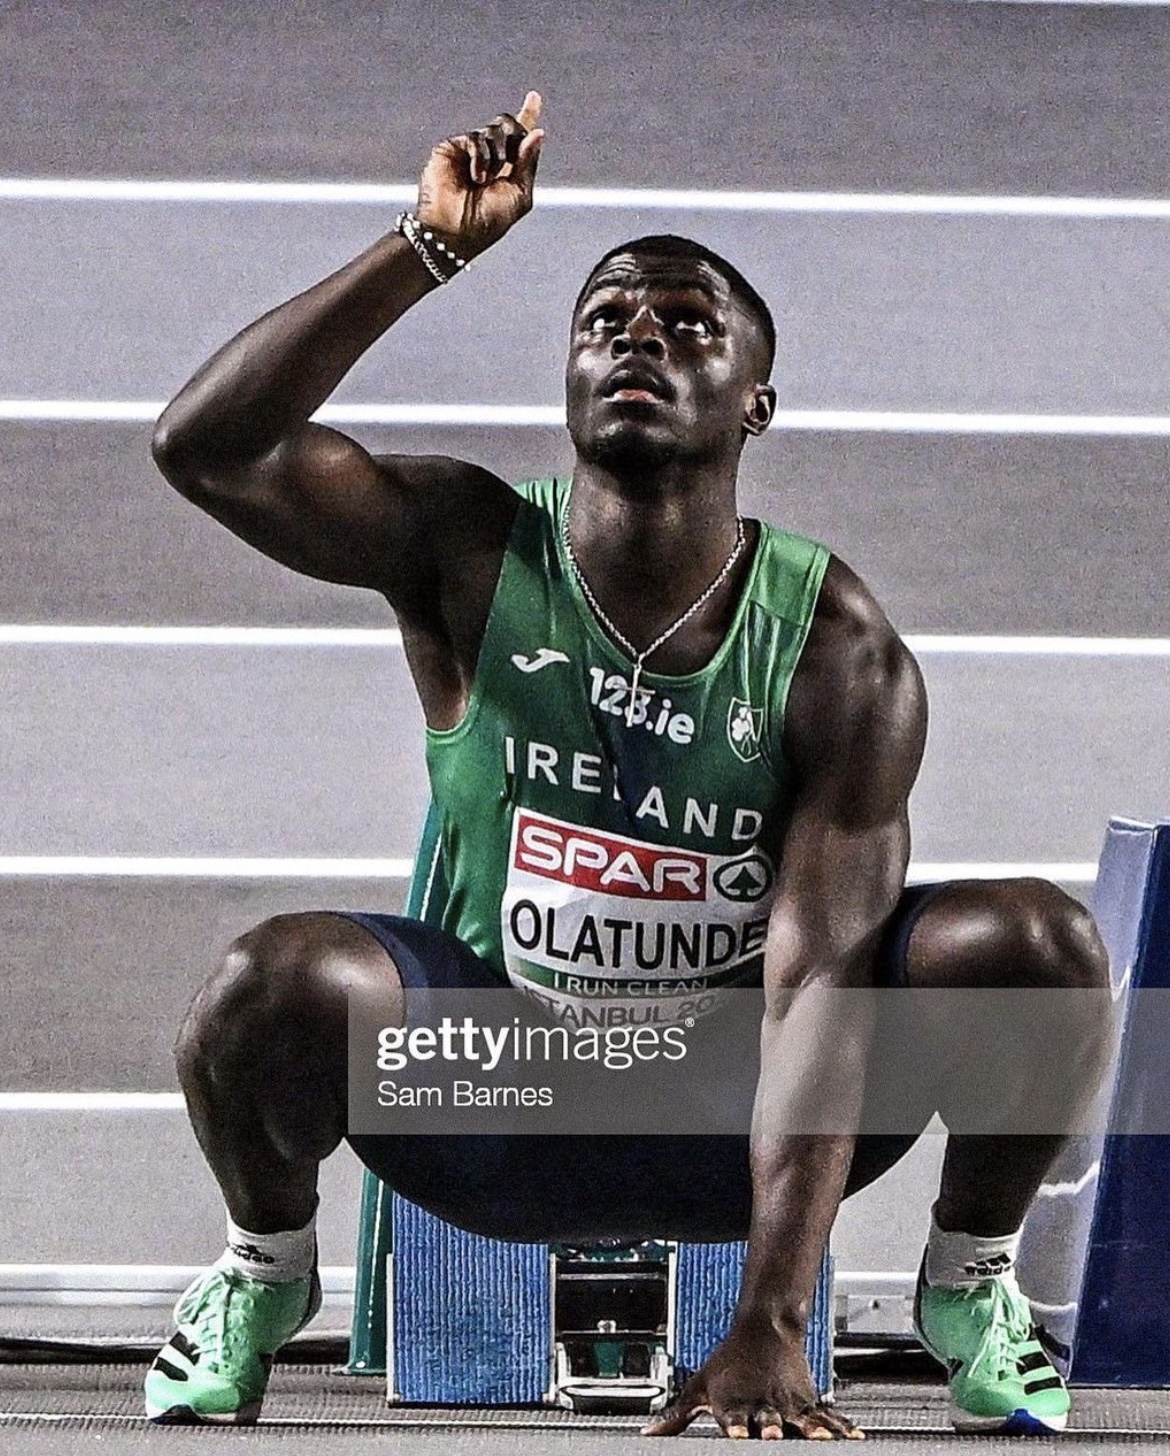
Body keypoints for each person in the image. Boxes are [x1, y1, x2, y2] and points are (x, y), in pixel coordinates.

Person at [143, 93, 1112, 1438]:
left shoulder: (834, 643)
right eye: (604, 323)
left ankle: (968, 1284)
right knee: (276, 976)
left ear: (753, 402)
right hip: (502, 1090)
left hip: (735, 1109)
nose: (636, 340)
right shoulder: (465, 545)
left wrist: (771, 1316)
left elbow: (818, 995)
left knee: (1030, 942)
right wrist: (424, 250)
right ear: (568, 378)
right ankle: (263, 1271)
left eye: (685, 328)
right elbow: (207, 447)